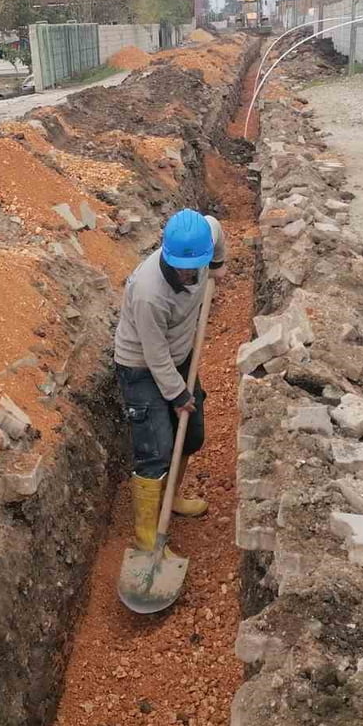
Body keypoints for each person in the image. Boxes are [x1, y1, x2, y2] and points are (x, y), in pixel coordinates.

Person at [113, 208, 226, 553]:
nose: (188, 274)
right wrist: (177, 395)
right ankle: (148, 538)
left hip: (179, 355)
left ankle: (170, 499)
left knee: (191, 435)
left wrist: (218, 265)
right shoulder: (149, 292)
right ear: (167, 253)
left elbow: (217, 231)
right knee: (156, 449)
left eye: (195, 267)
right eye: (181, 267)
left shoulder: (206, 235)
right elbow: (154, 353)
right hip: (141, 366)